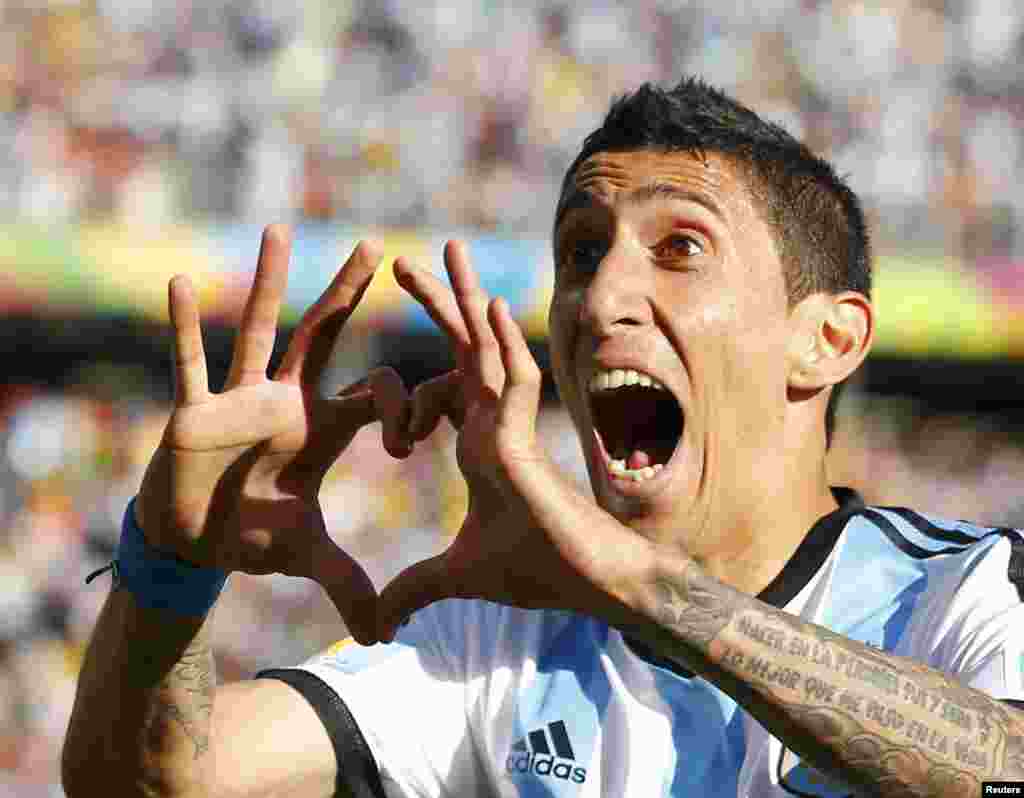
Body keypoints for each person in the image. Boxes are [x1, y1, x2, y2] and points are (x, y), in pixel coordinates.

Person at [62, 77, 1024, 798]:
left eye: (679, 248)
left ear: (827, 338)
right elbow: (152, 781)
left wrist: (639, 584)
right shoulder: (499, 639)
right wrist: (171, 566)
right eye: (581, 252)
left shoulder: (964, 593)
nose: (601, 297)